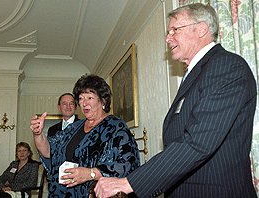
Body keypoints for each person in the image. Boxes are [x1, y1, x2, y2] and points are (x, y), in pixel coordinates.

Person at [95, 3, 257, 198]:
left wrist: (129, 182)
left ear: (201, 29)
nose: (167, 38)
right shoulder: (197, 72)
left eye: (174, 30)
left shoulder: (226, 66)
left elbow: (199, 142)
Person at [30, 74, 140, 197]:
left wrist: (90, 174)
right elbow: (48, 151)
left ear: (103, 101)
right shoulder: (74, 127)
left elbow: (129, 164)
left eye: (89, 98)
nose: (84, 103)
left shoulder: (115, 126)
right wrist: (38, 134)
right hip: (61, 192)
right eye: (81, 98)